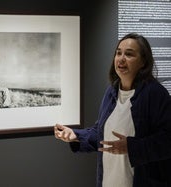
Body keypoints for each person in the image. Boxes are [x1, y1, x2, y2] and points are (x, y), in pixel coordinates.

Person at [54, 33, 171, 187]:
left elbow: (167, 140)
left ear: (143, 62)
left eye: (129, 54)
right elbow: (101, 133)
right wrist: (76, 135)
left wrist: (131, 147)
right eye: (118, 53)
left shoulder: (155, 94)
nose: (121, 58)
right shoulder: (112, 91)